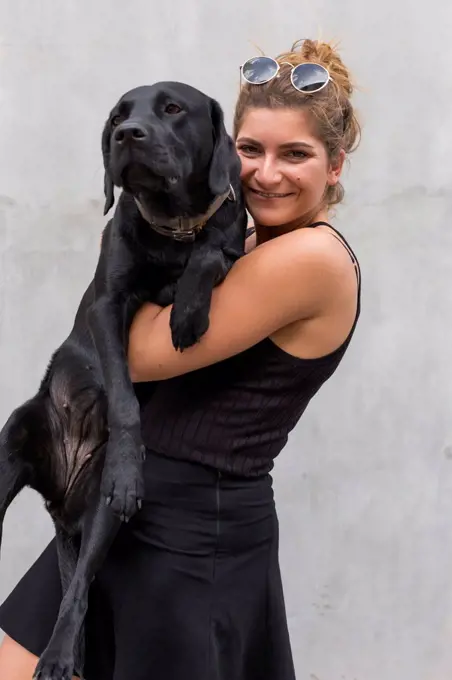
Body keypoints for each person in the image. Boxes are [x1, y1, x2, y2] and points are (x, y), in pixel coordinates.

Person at [0, 37, 361, 680]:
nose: (267, 174)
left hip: (194, 537)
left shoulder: (309, 258)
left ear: (334, 166)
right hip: (127, 505)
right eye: (252, 150)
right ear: (226, 153)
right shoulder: (237, 237)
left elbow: (139, 353)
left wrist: (144, 271)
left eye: (296, 155)